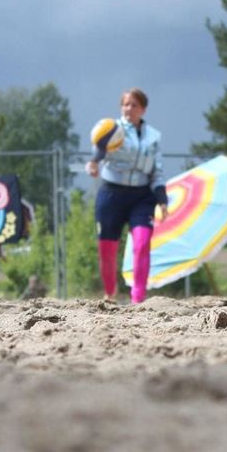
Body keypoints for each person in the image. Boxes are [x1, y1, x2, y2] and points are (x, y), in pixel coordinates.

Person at [85, 88, 167, 303]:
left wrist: (163, 200)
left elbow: (157, 171)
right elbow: (100, 149)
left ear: (143, 109)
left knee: (142, 243)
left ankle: (138, 299)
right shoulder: (112, 128)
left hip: (141, 196)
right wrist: (93, 164)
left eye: (134, 105)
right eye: (125, 104)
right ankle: (110, 294)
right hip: (112, 195)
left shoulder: (153, 137)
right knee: (107, 249)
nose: (128, 108)